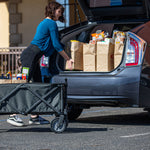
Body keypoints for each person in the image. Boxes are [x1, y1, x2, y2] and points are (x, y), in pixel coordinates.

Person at [7, 1, 73, 127]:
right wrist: (68, 58)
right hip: (30, 57)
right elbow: (56, 44)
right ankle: (12, 115)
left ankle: (34, 116)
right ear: (53, 11)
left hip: (33, 57)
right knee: (23, 83)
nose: (60, 14)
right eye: (59, 12)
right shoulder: (50, 23)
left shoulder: (45, 22)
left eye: (61, 12)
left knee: (37, 85)